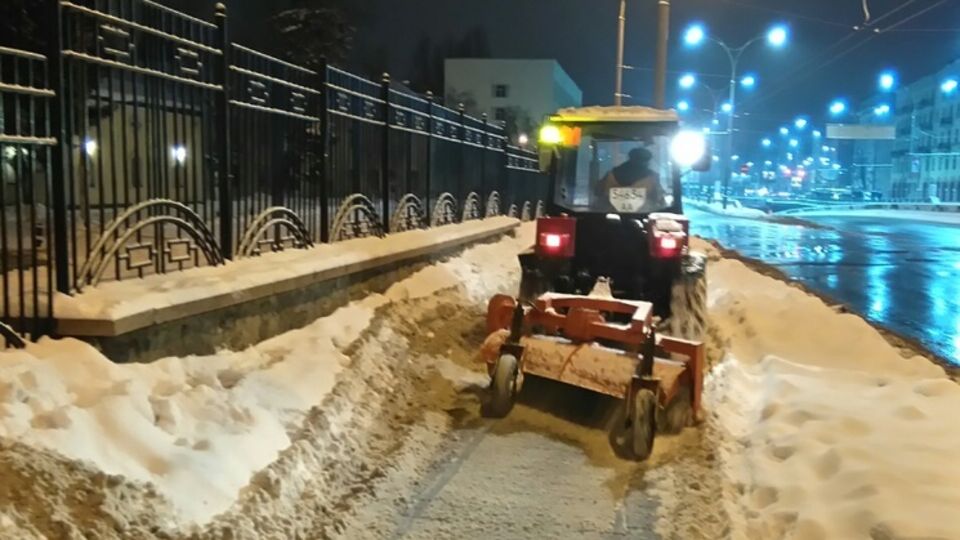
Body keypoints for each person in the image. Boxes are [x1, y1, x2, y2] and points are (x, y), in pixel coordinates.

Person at [594, 147, 666, 213]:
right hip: (642, 217)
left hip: (611, 218)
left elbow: (597, 192)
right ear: (646, 162)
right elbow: (659, 200)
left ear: (630, 158)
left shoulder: (611, 175)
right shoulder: (652, 178)